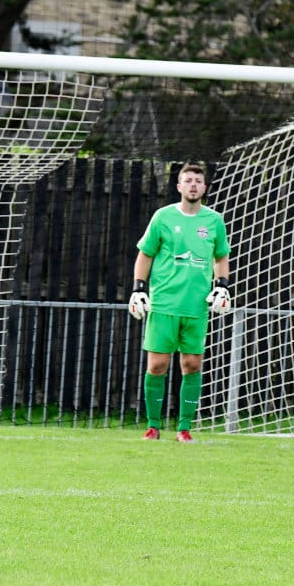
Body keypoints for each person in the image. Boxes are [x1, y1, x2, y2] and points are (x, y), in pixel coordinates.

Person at [128, 162, 231, 443]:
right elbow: (145, 254)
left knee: (192, 364)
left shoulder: (214, 221)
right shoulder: (163, 216)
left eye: (198, 180)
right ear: (179, 186)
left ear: (204, 187)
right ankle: (152, 426)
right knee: (157, 365)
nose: (193, 185)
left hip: (196, 306)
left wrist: (222, 286)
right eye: (188, 180)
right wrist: (138, 288)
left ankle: (184, 428)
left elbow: (221, 256)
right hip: (164, 303)